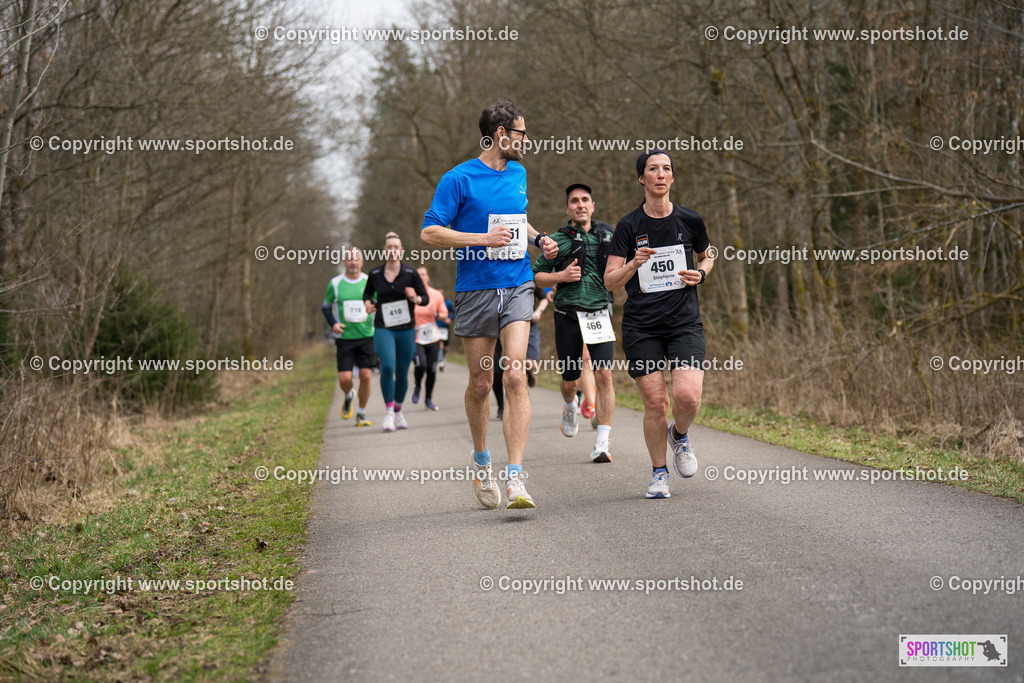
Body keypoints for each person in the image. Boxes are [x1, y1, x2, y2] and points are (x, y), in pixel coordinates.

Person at [421, 100, 558, 510]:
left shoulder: (519, 173)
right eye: (521, 132)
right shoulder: (457, 179)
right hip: (476, 290)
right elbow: (430, 232)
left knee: (515, 377)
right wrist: (480, 239)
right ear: (501, 134)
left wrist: (538, 239)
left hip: (517, 283)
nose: (526, 140)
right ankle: (482, 459)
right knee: (482, 384)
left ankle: (516, 477)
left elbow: (518, 220)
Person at [604, 151, 715, 499]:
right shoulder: (628, 226)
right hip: (642, 327)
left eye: (667, 169)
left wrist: (701, 273)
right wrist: (634, 264)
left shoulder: (690, 219)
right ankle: (658, 473)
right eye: (653, 169)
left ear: (672, 178)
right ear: (642, 179)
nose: (661, 174)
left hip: (684, 324)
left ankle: (679, 436)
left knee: (687, 397)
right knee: (655, 403)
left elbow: (707, 254)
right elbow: (609, 281)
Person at [533, 182, 617, 462]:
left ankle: (602, 443)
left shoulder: (609, 235)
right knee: (571, 381)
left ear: (593, 206)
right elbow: (537, 277)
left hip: (599, 313)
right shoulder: (558, 239)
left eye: (585, 200)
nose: (580, 204)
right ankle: (570, 407)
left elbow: (626, 264)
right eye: (574, 201)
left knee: (605, 375)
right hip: (568, 314)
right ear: (567, 208)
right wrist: (560, 277)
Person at [363, 233, 429, 432]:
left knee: (402, 372)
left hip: (406, 330)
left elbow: (424, 298)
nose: (392, 250)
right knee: (388, 366)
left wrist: (414, 298)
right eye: (389, 247)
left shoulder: (410, 273)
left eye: (396, 247)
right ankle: (389, 412)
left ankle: (399, 410)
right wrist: (367, 303)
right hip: (384, 328)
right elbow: (367, 293)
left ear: (401, 251)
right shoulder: (375, 274)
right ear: (384, 250)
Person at [322, 247, 375, 427]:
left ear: (362, 261)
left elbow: (378, 303)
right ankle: (348, 394)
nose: (353, 262)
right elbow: (325, 306)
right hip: (344, 338)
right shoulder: (335, 283)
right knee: (345, 379)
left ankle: (361, 412)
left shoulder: (370, 281)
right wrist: (333, 324)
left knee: (366, 376)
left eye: (356, 259)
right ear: (345, 262)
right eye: (349, 259)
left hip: (367, 336)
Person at [491, 285, 547, 420]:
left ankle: (528, 372)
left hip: (526, 323)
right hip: (494, 326)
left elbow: (544, 299)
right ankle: (502, 406)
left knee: (529, 364)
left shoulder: (527, 275)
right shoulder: (492, 274)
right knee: (496, 370)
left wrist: (538, 312)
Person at [411, 266, 450, 410]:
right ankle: (417, 385)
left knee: (431, 369)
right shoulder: (411, 294)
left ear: (427, 277)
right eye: (418, 274)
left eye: (423, 274)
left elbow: (444, 314)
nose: (421, 277)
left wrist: (436, 314)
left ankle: (428, 399)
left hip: (433, 336)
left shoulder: (436, 295)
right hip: (416, 337)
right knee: (420, 365)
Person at [437, 291, 455, 371]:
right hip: (436, 327)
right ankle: (440, 361)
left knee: (446, 346)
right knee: (440, 343)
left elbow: (453, 312)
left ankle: (442, 358)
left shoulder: (448, 303)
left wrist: (450, 318)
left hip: (445, 327)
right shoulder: (434, 302)